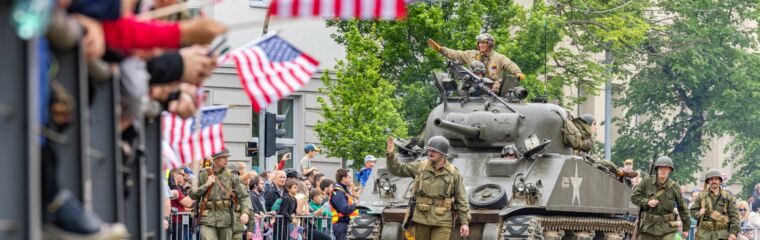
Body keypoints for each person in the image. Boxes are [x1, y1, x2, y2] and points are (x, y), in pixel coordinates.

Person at [386, 136, 471, 240]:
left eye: (434, 151)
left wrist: (464, 222)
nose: (430, 153)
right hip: (421, 218)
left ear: (443, 153)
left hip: (442, 221)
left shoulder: (453, 173)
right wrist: (390, 154)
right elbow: (397, 169)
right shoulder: (420, 167)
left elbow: (461, 198)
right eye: (429, 150)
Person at [189, 148, 253, 240]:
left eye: (227, 157)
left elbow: (244, 196)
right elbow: (192, 195)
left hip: (226, 219)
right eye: (223, 157)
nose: (226, 160)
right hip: (207, 219)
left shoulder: (232, 176)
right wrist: (206, 185)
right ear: (215, 159)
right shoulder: (203, 174)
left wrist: (245, 213)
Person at [428, 33, 524, 93]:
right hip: (473, 88)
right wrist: (440, 49)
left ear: (490, 44)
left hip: (492, 90)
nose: (481, 45)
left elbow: (509, 64)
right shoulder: (472, 55)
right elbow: (456, 54)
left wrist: (517, 72)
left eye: (484, 42)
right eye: (479, 43)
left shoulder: (498, 58)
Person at [631, 156, 690, 240]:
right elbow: (634, 197)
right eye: (661, 167)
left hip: (667, 228)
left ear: (670, 170)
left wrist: (686, 228)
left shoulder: (674, 186)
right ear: (657, 169)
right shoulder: (646, 182)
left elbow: (683, 208)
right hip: (648, 227)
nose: (663, 170)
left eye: (666, 168)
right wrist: (647, 202)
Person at [690, 169, 740, 240]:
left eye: (716, 179)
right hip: (704, 235)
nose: (714, 181)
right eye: (711, 179)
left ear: (720, 181)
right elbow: (692, 211)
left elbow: (735, 217)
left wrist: (734, 233)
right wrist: (699, 213)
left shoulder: (728, 197)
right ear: (708, 181)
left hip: (722, 235)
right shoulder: (701, 196)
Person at [330, 168, 359, 240]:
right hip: (341, 225)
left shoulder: (344, 190)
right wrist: (357, 204)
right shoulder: (338, 192)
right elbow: (345, 209)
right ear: (343, 178)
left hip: (346, 224)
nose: (351, 179)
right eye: (349, 177)